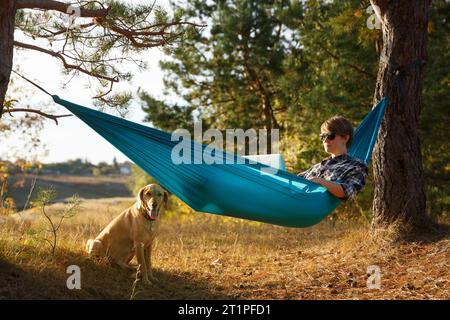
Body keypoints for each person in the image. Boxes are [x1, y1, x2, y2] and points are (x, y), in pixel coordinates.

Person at [297, 116, 368, 200]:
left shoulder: (356, 165)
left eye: (330, 136)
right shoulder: (318, 166)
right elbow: (294, 180)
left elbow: (348, 192)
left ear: (345, 138)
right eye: (323, 137)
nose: (325, 140)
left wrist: (321, 181)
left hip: (310, 206)